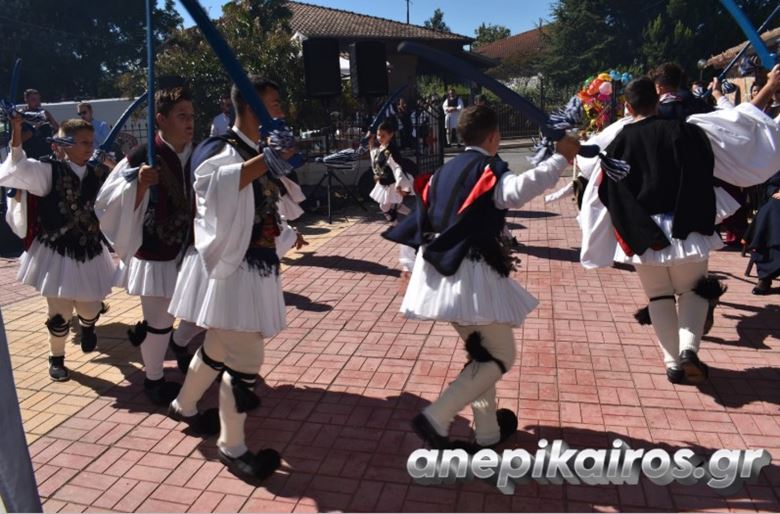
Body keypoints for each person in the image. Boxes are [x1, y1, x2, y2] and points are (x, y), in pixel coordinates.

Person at [384, 105, 581, 451]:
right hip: (470, 275)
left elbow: (421, 219)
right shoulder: (487, 169)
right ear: (493, 136)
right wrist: (560, 158)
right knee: (501, 354)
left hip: (439, 275)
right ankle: (436, 417)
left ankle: (488, 433)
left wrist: (407, 266)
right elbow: (516, 191)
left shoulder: (443, 171)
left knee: (484, 356)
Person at [578, 68, 780, 385]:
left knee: (658, 297)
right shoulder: (688, 131)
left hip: (643, 231)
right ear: (658, 100)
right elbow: (737, 127)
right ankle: (688, 350)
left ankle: (673, 363)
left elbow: (597, 177)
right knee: (693, 292)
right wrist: (768, 87)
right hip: (689, 225)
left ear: (627, 107)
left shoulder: (617, 142)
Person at [166, 75, 298, 483]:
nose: (280, 111)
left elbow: (265, 202)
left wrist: (272, 161)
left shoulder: (255, 150)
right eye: (273, 104)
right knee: (245, 359)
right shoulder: (218, 146)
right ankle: (232, 446)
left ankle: (184, 405)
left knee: (219, 347)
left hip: (250, 266)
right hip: (229, 270)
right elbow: (210, 186)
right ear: (251, 107)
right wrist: (266, 160)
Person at [95, 82, 203, 406]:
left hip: (193, 250)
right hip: (155, 253)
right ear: (161, 119)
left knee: (203, 309)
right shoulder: (141, 155)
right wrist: (138, 185)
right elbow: (106, 201)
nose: (189, 122)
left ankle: (180, 343)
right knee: (158, 324)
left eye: (191, 115)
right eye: (181, 115)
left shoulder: (201, 153)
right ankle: (154, 380)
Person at [0, 117, 115, 381]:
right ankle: (57, 358)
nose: (89, 147)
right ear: (64, 145)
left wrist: (114, 166)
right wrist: (16, 131)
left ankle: (88, 326)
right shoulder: (48, 171)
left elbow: (123, 191)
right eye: (83, 142)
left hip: (90, 251)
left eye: (91, 142)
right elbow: (17, 167)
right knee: (59, 313)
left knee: (89, 308)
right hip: (56, 252)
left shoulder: (99, 172)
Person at [368, 119, 413, 222]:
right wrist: (371, 146)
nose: (379, 138)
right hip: (385, 181)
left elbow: (397, 167)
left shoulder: (391, 150)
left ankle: (395, 224)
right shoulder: (383, 146)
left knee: (384, 206)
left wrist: (398, 183)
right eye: (378, 135)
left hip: (392, 182)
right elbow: (376, 158)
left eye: (383, 136)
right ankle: (416, 217)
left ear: (391, 135)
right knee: (397, 206)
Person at [20, 89, 59, 160]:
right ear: (26, 100)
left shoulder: (44, 113)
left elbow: (57, 129)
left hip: (47, 154)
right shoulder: (21, 115)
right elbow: (19, 139)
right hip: (30, 156)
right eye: (34, 99)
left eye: (38, 99)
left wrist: (49, 118)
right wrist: (35, 127)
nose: (37, 102)